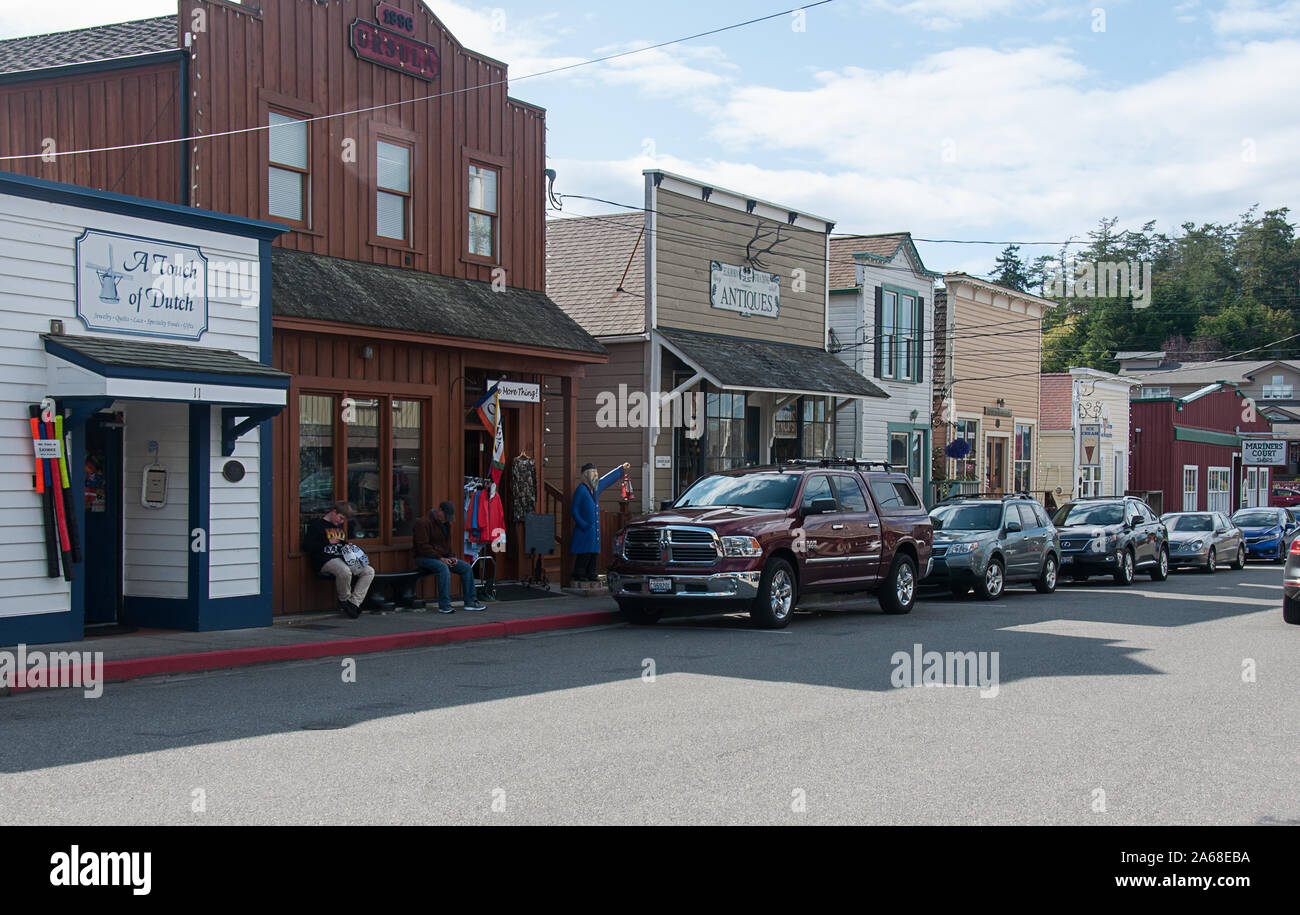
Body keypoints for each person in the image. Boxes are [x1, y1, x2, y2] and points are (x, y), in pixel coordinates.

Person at [413, 500, 487, 613]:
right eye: (446, 516)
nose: (447, 519)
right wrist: (441, 558)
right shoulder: (423, 523)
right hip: (423, 558)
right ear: (439, 511)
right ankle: (444, 605)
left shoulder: (446, 524)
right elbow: (422, 547)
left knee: (466, 567)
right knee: (443, 568)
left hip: (441, 557)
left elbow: (447, 545)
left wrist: (452, 557)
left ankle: (470, 601)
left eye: (449, 517)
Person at [304, 501, 374, 619]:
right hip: (324, 559)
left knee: (369, 571)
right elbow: (307, 546)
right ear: (334, 512)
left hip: (342, 557)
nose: (340, 521)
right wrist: (327, 542)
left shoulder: (339, 527)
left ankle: (354, 603)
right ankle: (344, 600)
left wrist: (347, 546)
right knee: (344, 571)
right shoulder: (317, 525)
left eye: (343, 520)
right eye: (340, 518)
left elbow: (341, 544)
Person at [570, 461, 630, 582]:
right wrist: (582, 524)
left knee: (593, 553)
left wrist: (621, 470)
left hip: (593, 530)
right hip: (585, 529)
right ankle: (579, 573)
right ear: (585, 474)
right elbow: (574, 509)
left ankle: (592, 573)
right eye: (593, 472)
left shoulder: (595, 489)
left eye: (596, 472)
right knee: (584, 553)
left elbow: (607, 479)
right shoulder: (581, 490)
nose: (596, 475)